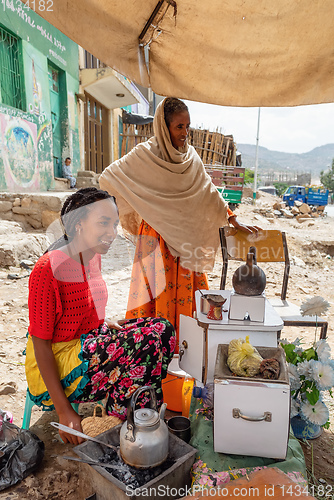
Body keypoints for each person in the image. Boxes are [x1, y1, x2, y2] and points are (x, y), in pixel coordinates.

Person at [99, 97, 259, 346]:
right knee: (154, 301)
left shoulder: (191, 158)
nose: (185, 133)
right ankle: (150, 353)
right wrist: (137, 208)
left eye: (187, 126)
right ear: (164, 127)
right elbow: (110, 177)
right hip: (156, 241)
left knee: (187, 311)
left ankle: (184, 352)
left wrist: (232, 218)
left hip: (186, 244)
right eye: (178, 127)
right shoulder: (144, 156)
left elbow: (209, 192)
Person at [25, 187, 175, 445]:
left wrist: (103, 321)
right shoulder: (47, 269)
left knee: (162, 330)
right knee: (145, 344)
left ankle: (129, 414)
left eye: (114, 224)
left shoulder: (93, 255)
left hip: (88, 339)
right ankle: (122, 420)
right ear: (79, 224)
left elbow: (84, 304)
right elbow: (41, 344)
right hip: (59, 361)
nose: (112, 233)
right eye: (103, 223)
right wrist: (65, 412)